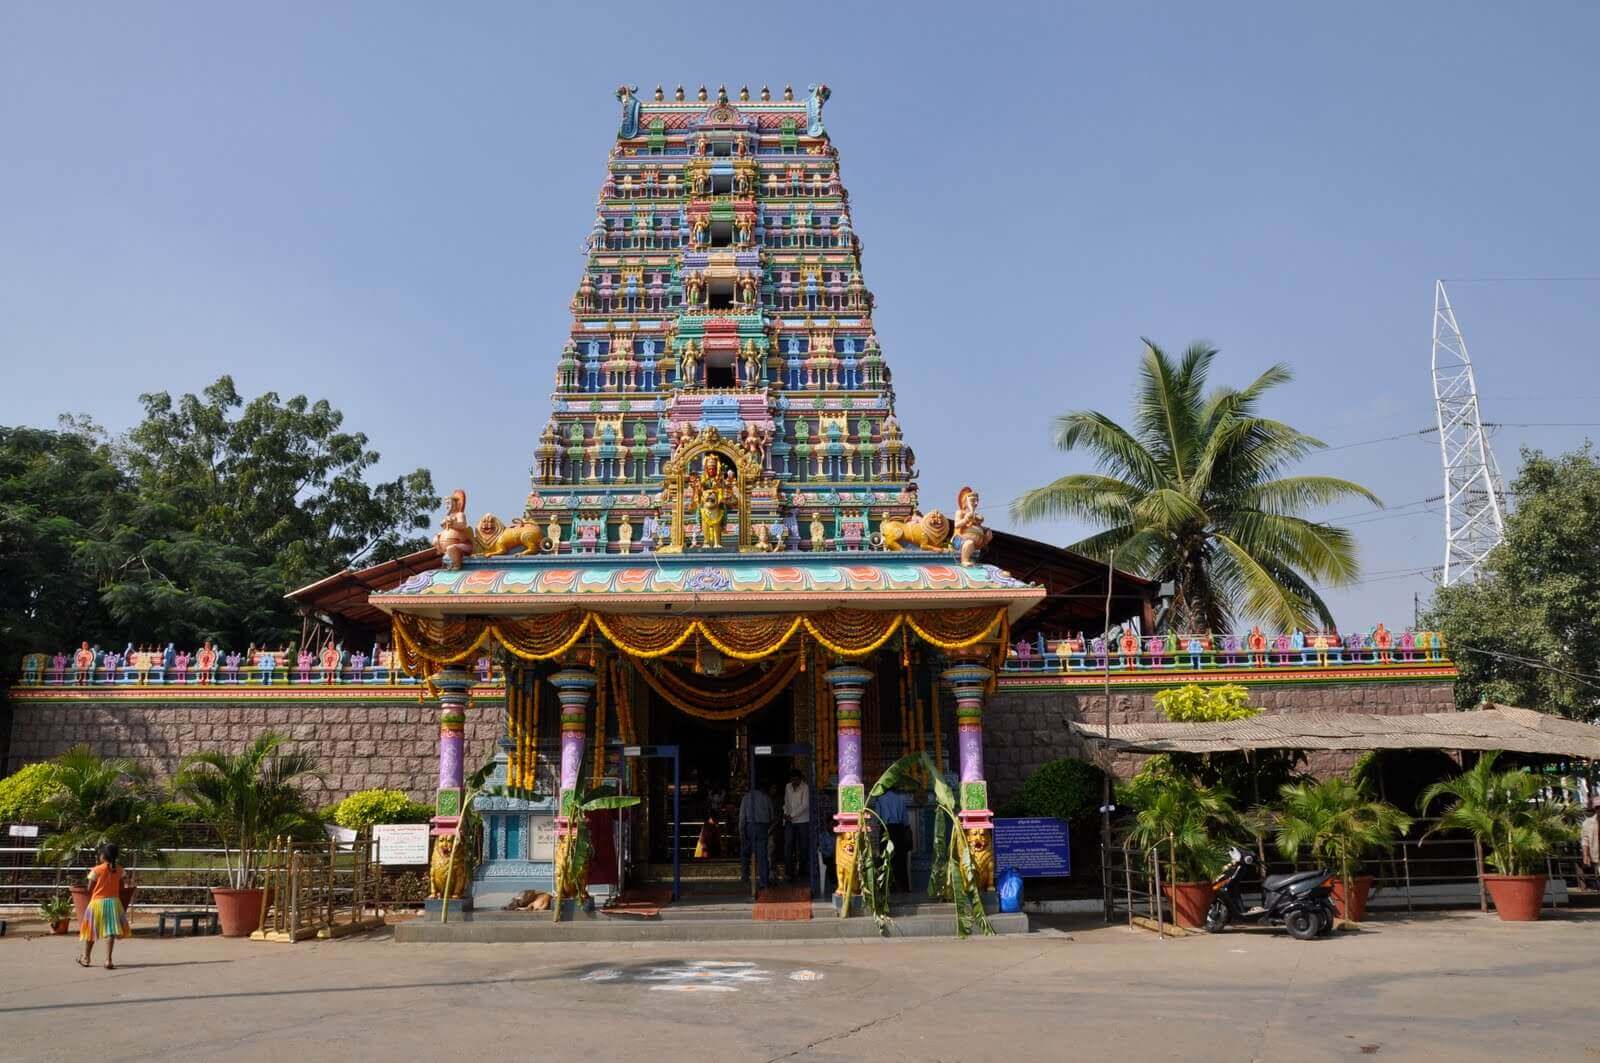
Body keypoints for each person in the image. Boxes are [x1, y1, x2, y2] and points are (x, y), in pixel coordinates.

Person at [79, 843, 132, 970]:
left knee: (91, 931)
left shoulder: (96, 870)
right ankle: (108, 960)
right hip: (114, 903)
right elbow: (122, 886)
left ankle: (86, 958)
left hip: (97, 903)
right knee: (110, 931)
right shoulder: (120, 869)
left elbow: (89, 888)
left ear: (103, 855)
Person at [874, 786, 913, 893]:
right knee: (900, 859)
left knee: (886, 858)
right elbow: (905, 819)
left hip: (886, 830)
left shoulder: (880, 799)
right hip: (899, 830)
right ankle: (903, 887)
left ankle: (886, 887)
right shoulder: (901, 799)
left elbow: (877, 818)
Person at [737, 782, 774, 890]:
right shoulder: (766, 798)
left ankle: (745, 876)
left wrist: (741, 833)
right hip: (763, 828)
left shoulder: (746, 798)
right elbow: (771, 816)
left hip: (750, 828)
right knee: (762, 856)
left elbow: (742, 818)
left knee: (745, 853)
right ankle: (764, 882)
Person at [783, 768, 811, 883]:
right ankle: (789, 872)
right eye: (792, 779)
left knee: (803, 847)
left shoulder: (805, 787)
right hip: (790, 820)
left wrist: (792, 815)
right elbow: (786, 802)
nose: (794, 781)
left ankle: (802, 870)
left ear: (800, 778)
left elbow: (805, 805)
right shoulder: (788, 786)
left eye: (796, 778)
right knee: (788, 846)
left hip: (803, 820)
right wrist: (785, 813)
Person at [1582, 799, 1600, 891]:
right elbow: (1585, 840)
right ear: (1595, 809)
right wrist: (1585, 856)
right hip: (1596, 854)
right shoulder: (1588, 823)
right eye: (1598, 808)